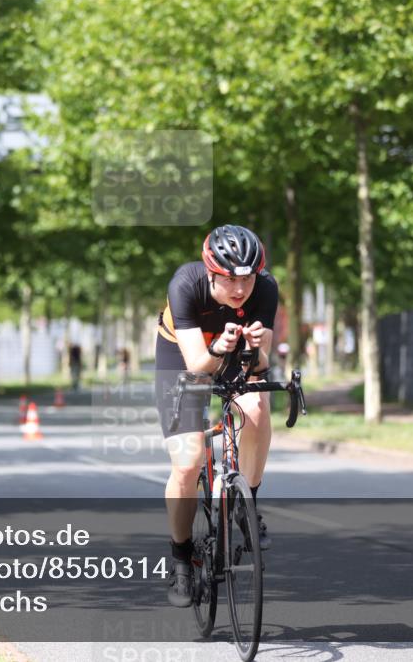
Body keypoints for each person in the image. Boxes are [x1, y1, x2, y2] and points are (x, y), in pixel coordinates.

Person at [155, 224, 278, 607]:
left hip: (233, 352)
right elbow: (197, 364)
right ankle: (180, 558)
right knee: (189, 462)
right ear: (211, 272)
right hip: (185, 358)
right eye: (228, 279)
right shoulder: (185, 285)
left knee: (256, 407)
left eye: (247, 279)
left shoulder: (266, 288)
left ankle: (247, 504)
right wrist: (221, 346)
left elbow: (262, 363)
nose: (240, 289)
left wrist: (255, 348)